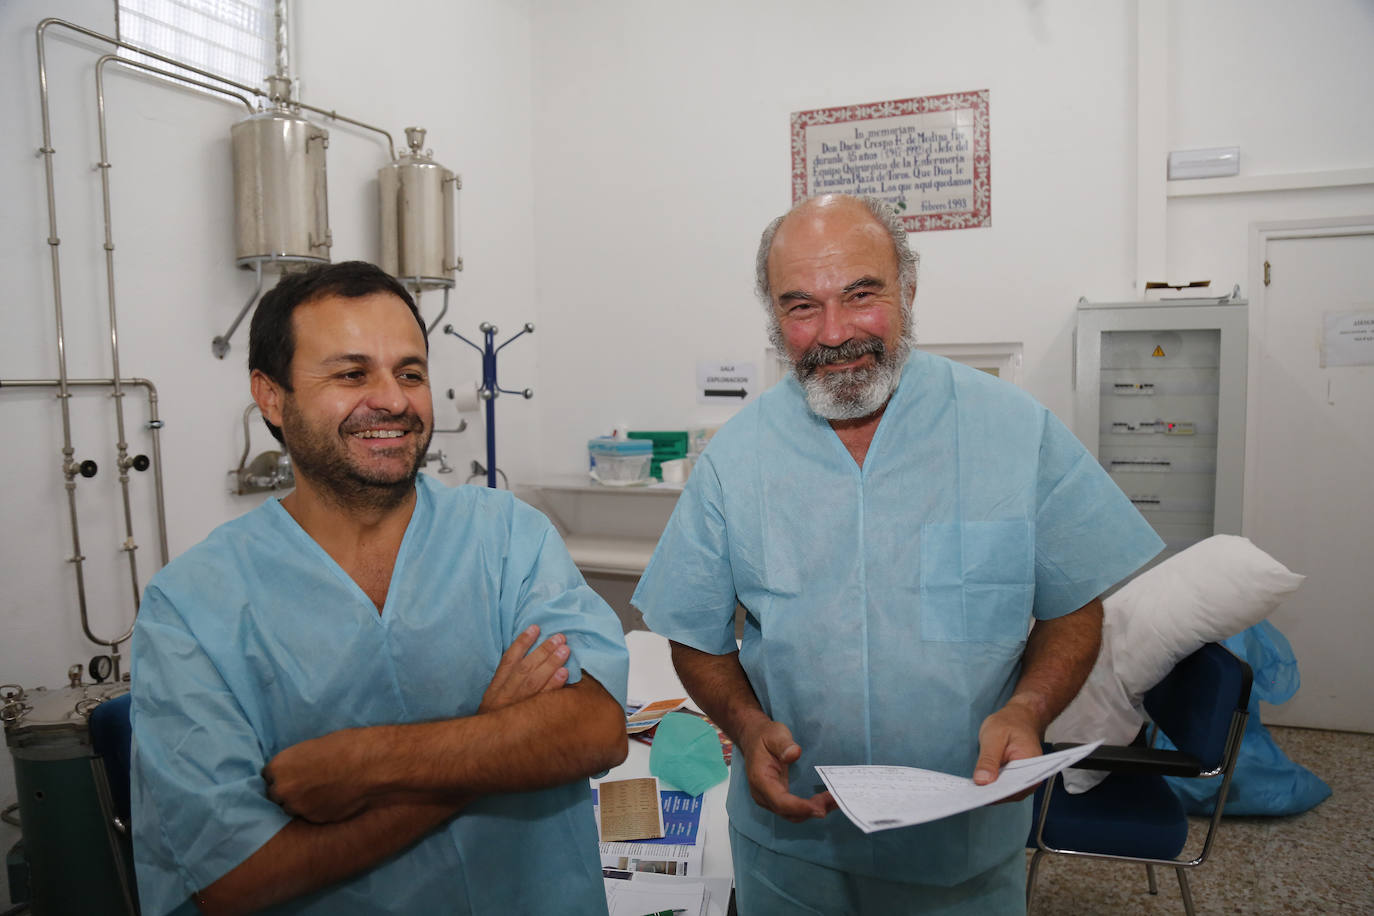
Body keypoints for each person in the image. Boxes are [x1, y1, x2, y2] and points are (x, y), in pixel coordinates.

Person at [631, 195, 1163, 914]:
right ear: (774, 320)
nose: (835, 332)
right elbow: (693, 633)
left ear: (908, 290)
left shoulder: (1013, 431)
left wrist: (1030, 708)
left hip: (962, 850)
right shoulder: (737, 457)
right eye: (801, 308)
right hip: (794, 850)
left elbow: (1073, 605)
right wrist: (746, 725)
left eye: (861, 295)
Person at [130, 261, 629, 915]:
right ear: (272, 396)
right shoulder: (193, 606)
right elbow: (240, 876)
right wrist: (494, 740)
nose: (393, 400)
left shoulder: (507, 538)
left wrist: (364, 764)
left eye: (410, 372)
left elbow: (594, 728)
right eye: (351, 373)